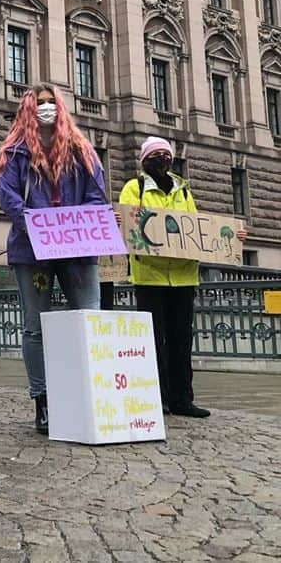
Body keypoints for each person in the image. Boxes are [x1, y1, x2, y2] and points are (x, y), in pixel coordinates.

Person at [0, 83, 106, 435]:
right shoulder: (15, 152)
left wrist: (71, 224)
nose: (45, 108)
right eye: (39, 103)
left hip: (78, 249)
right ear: (28, 109)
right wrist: (36, 224)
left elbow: (97, 194)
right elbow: (7, 193)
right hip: (33, 251)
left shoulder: (81, 149)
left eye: (50, 102)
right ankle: (43, 400)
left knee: (89, 320)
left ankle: (90, 395)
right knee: (35, 326)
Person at [117, 137, 246, 419]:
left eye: (166, 154)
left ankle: (182, 399)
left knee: (181, 339)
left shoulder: (183, 191)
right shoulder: (133, 188)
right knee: (153, 341)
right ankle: (157, 397)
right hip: (150, 277)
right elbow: (128, 225)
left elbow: (198, 229)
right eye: (156, 154)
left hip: (184, 277)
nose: (162, 158)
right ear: (145, 159)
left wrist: (233, 238)